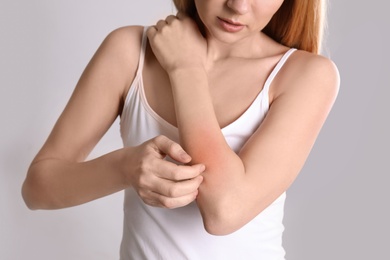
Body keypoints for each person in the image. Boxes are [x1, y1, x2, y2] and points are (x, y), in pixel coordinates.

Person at [22, 0, 340, 259]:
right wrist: (125, 168)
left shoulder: (305, 75)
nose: (238, 6)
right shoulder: (130, 50)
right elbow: (37, 188)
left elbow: (225, 211)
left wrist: (185, 69)